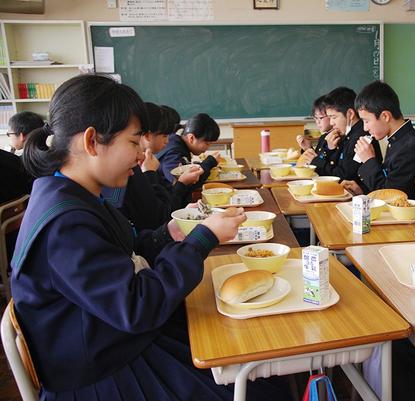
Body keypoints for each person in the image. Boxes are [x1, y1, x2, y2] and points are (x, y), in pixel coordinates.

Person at [11, 74, 287, 401]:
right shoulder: (65, 224)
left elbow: (121, 254)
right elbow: (137, 306)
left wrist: (168, 234)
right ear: (91, 141)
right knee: (259, 385)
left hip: (113, 339)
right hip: (100, 371)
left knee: (246, 352)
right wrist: (202, 239)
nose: (142, 155)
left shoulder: (73, 193)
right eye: (133, 142)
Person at [102, 102, 202, 230]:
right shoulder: (130, 170)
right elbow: (160, 217)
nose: (167, 141)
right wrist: (150, 174)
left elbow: (166, 204)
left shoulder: (144, 163)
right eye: (164, 135)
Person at [342, 80, 415, 207]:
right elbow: (387, 182)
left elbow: (391, 197)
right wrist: (362, 190)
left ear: (385, 116)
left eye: (366, 121)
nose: (365, 128)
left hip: (405, 216)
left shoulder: (409, 147)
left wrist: (368, 160)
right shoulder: (397, 139)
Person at [300, 87, 382, 193]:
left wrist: (316, 161)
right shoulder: (347, 134)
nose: (331, 123)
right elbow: (337, 167)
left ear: (350, 114)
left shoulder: (360, 137)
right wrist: (329, 150)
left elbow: (343, 177)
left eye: (334, 117)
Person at [157, 113, 220, 206]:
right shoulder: (174, 153)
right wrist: (210, 162)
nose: (208, 148)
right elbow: (186, 183)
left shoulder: (177, 142)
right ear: (191, 138)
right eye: (207, 143)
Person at [296, 94, 341, 167]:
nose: (317, 122)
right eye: (315, 118)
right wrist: (308, 148)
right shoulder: (323, 137)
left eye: (320, 118)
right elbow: (317, 160)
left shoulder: (337, 138)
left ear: (331, 115)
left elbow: (325, 166)